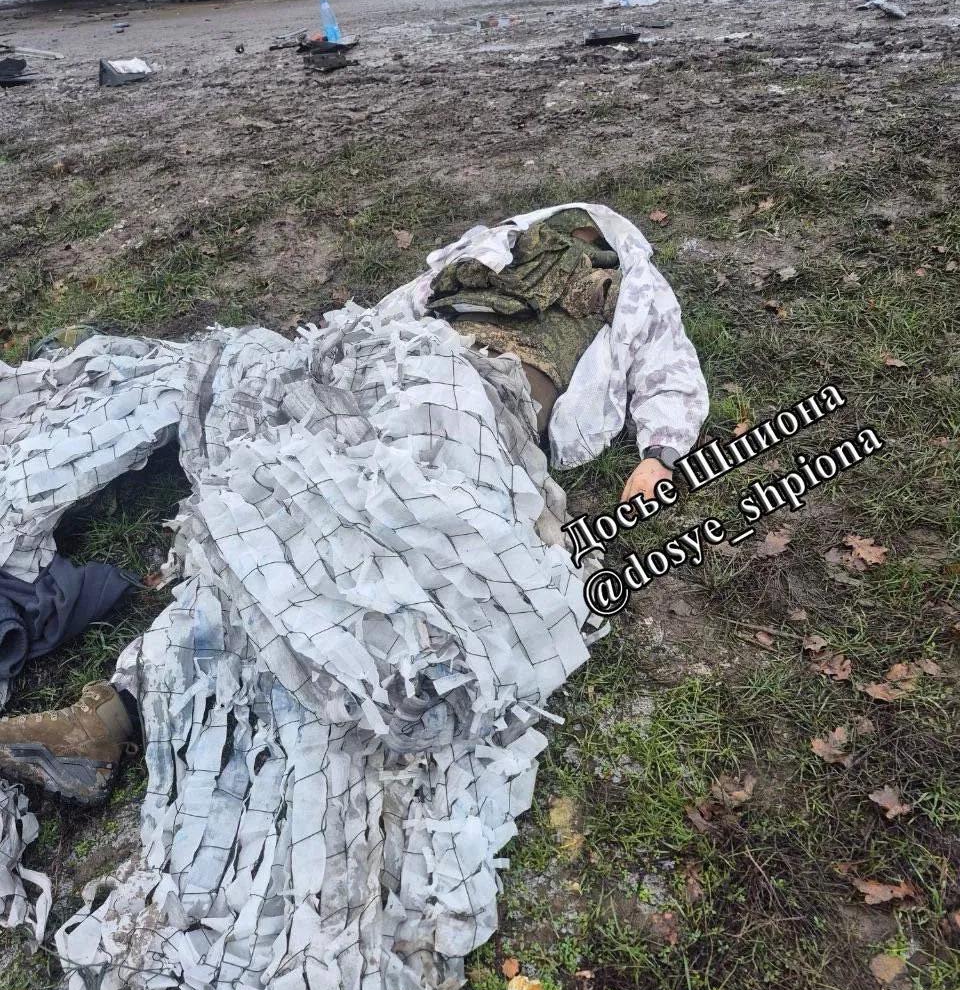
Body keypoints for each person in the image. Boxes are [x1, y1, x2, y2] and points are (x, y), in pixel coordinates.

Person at [0, 205, 706, 806]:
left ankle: (116, 715)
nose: (561, 234)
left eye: (579, 230)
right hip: (394, 370)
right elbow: (391, 312)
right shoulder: (478, 260)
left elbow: (664, 359)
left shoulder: (618, 282)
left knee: (370, 534)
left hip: (478, 397)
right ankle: (112, 711)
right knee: (286, 509)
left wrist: (661, 451)